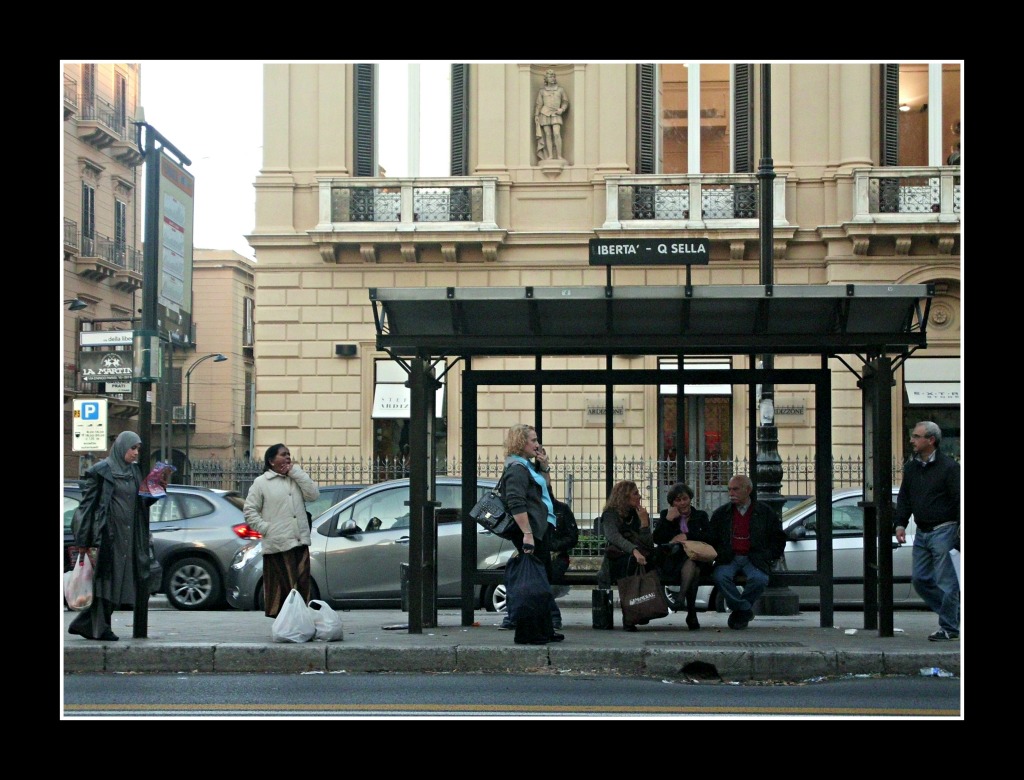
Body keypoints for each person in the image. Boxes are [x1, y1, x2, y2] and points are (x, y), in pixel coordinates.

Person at [69, 431, 167, 641]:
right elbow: (88, 507)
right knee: (107, 583)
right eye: (133, 448)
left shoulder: (134, 472)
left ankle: (87, 624)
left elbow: (140, 502)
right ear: (122, 447)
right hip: (108, 537)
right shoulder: (101, 471)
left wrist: (157, 488)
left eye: (138, 449)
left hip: (130, 537)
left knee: (122, 583)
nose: (136, 453)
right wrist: (84, 541)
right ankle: (99, 627)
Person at [894, 421, 961, 641]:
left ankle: (950, 627)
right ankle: (953, 616)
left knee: (946, 581)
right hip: (922, 531)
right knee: (920, 579)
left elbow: (959, 499)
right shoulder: (912, 467)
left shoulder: (949, 467)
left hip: (944, 529)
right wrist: (900, 522)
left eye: (916, 436)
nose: (911, 440)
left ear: (930, 440)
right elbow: (905, 497)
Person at [500, 424, 564, 643]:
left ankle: (544, 630)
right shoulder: (517, 469)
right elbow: (516, 502)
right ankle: (528, 632)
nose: (537, 444)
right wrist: (527, 533)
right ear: (521, 442)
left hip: (539, 529)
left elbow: (543, 491)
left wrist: (544, 466)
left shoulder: (527, 466)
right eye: (533, 440)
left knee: (541, 578)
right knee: (533, 581)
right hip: (531, 531)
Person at [243, 444, 319, 619]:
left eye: (289, 455)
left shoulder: (295, 479)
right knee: (283, 589)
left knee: (302, 587)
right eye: (283, 455)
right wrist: (266, 529)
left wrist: (296, 472)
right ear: (271, 461)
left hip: (299, 542)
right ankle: (285, 625)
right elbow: (250, 510)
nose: (287, 458)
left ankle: (301, 623)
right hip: (278, 545)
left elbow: (313, 495)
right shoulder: (262, 483)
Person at [707, 474, 787, 630]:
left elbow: (778, 538)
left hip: (754, 558)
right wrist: (720, 554)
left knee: (759, 579)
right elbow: (711, 538)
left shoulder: (765, 512)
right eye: (729, 489)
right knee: (720, 576)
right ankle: (744, 609)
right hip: (729, 558)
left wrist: (768, 556)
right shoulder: (721, 514)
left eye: (735, 489)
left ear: (748, 489)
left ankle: (739, 612)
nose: (731, 493)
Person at [653, 482, 712, 630]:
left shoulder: (701, 516)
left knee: (693, 564)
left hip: (698, 558)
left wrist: (686, 536)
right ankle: (691, 612)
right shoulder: (666, 515)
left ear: (690, 498)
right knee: (694, 570)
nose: (682, 503)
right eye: (677, 500)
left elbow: (709, 537)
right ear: (672, 503)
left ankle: (681, 598)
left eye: (684, 498)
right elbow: (657, 538)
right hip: (674, 562)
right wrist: (668, 520)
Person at [600, 480, 655, 631]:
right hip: (616, 560)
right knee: (629, 564)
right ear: (624, 496)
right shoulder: (610, 514)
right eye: (635, 493)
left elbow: (648, 545)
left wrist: (644, 524)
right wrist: (634, 551)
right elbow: (614, 537)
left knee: (636, 564)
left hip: (636, 561)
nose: (640, 496)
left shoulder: (636, 514)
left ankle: (634, 614)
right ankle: (630, 616)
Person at [534, 68, 569, 162]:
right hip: (544, 113)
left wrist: (562, 109)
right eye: (550, 76)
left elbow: (565, 101)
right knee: (548, 135)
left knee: (557, 133)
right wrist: (536, 115)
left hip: (556, 113)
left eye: (553, 76)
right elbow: (539, 104)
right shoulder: (542, 91)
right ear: (546, 78)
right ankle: (549, 156)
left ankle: (559, 156)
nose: (552, 77)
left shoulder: (560, 90)